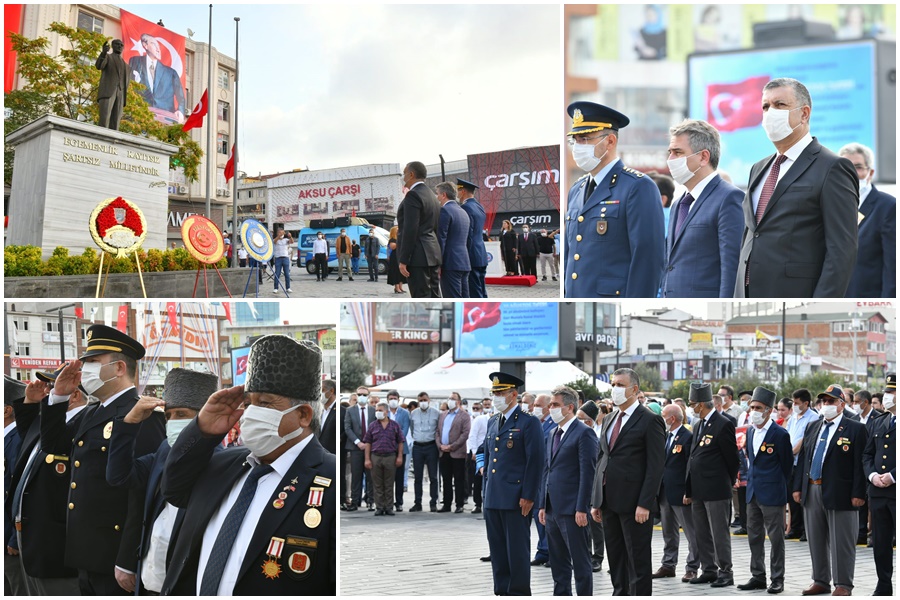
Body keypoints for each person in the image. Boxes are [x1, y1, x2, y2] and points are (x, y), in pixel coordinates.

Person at [160, 335, 335, 595]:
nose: (251, 413)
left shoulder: (329, 477)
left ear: (302, 415)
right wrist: (202, 430)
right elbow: (173, 489)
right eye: (248, 403)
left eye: (264, 403)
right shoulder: (225, 463)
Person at [40, 325, 165, 595]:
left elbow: (142, 490)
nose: (85, 370)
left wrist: (128, 559)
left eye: (93, 362)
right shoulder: (92, 411)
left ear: (119, 368)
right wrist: (59, 396)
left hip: (114, 555)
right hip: (86, 552)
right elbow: (52, 447)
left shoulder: (141, 413)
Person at [734, 78, 858, 298]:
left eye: (780, 105)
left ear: (804, 113)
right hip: (747, 297)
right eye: (765, 106)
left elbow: (841, 251)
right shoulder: (758, 168)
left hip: (795, 298)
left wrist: (819, 308)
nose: (770, 112)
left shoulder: (832, 167)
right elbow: (754, 234)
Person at [105, 368, 219, 595]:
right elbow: (119, 476)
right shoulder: (164, 453)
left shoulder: (220, 462)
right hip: (149, 585)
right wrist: (130, 423)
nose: (172, 422)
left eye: (181, 414)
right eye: (168, 416)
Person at [564, 101, 665, 297]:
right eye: (575, 140)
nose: (578, 147)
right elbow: (571, 257)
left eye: (585, 139)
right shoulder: (576, 189)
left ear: (610, 141)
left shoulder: (637, 186)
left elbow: (648, 260)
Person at [7, 368, 86, 596]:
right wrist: (30, 403)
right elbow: (29, 436)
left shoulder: (80, 423)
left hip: (55, 542)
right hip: (31, 537)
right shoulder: (51, 424)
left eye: (53, 388)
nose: (48, 393)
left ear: (74, 395)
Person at [590, 367, 665, 595]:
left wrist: (645, 502)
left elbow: (655, 467)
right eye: (613, 385)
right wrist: (596, 500)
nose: (615, 389)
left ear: (634, 389)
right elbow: (603, 458)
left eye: (620, 385)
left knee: (638, 560)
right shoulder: (610, 418)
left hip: (634, 504)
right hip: (609, 500)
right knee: (616, 558)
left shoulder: (650, 420)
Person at [793, 384, 867, 596]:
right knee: (816, 538)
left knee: (841, 541)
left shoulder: (855, 428)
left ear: (842, 404)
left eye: (831, 401)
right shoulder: (813, 426)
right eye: (824, 401)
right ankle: (821, 580)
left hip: (841, 491)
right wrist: (798, 487)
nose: (826, 405)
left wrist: (859, 493)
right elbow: (805, 460)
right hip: (813, 488)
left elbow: (859, 464)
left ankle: (843, 584)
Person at [662, 119, 743, 298]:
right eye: (670, 152)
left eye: (678, 152)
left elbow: (731, 268)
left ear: (703, 157)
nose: (670, 160)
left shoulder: (728, 198)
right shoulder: (678, 204)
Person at [482, 372, 544, 596]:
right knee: (497, 549)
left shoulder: (528, 423)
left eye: (500, 393)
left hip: (516, 497)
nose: (496, 397)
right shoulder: (492, 421)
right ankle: (502, 590)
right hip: (493, 496)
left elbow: (535, 461)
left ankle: (518, 591)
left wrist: (529, 495)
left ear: (514, 395)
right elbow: (489, 459)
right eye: (494, 393)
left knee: (516, 550)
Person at [538, 385, 598, 596]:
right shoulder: (553, 432)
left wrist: (582, 507)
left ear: (569, 407)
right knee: (558, 564)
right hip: (553, 509)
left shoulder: (584, 433)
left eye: (555, 404)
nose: (550, 408)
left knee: (581, 564)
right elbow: (548, 470)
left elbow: (587, 473)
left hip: (574, 510)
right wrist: (543, 505)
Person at [684, 382, 740, 588]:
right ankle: (709, 569)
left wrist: (727, 480)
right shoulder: (698, 425)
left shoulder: (723, 423)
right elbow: (693, 457)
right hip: (698, 488)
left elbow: (732, 459)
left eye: (693, 404)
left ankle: (726, 571)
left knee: (719, 533)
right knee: (701, 532)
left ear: (701, 404)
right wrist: (688, 488)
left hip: (716, 488)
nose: (691, 408)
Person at [739, 387, 793, 594]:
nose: (754, 411)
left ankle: (777, 578)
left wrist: (777, 486)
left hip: (772, 493)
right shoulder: (750, 430)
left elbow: (787, 466)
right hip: (753, 492)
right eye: (752, 407)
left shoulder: (780, 434)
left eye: (758, 407)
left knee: (776, 538)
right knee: (754, 536)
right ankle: (757, 575)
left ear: (769, 410)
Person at [838, 143, 895, 298]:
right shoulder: (832, 207)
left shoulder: (888, 207)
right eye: (845, 167)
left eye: (858, 167)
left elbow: (893, 267)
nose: (851, 173)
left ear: (870, 172)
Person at [655, 403, 701, 583]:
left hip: (681, 492)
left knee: (691, 532)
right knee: (668, 532)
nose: (662, 419)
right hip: (665, 491)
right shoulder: (666, 436)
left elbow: (691, 467)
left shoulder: (687, 437)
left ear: (672, 418)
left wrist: (688, 490)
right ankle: (668, 565)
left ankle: (692, 567)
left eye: (663, 416)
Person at [862, 374, 895, 595]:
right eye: (887, 391)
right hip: (878, 491)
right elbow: (867, 454)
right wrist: (873, 475)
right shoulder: (879, 421)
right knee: (881, 542)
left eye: (892, 392)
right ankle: (884, 585)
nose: (887, 396)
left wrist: (893, 476)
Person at [397, 161, 442, 297]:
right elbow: (435, 227)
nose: (403, 177)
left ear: (411, 174)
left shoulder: (413, 195)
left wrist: (404, 259)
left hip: (417, 256)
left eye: (404, 173)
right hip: (432, 253)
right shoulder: (432, 196)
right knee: (434, 295)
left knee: (421, 298)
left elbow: (410, 229)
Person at [127, 33, 185, 122]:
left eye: (159, 46)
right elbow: (129, 85)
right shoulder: (135, 61)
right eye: (154, 44)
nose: (158, 49)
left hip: (164, 118)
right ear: (145, 45)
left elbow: (180, 96)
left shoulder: (171, 73)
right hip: (140, 115)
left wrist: (180, 111)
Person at [786, 388, 819, 541]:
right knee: (792, 497)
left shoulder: (814, 418)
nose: (794, 405)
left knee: (803, 497)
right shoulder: (793, 417)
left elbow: (806, 439)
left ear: (806, 403)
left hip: (803, 462)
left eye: (797, 403)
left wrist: (793, 451)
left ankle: (807, 530)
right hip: (791, 462)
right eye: (793, 402)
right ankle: (796, 527)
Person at [363, 401, 404, 516]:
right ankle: (379, 506)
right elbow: (368, 442)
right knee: (377, 483)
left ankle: (389, 507)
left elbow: (400, 441)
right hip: (376, 456)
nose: (378, 413)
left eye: (380, 410)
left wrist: (399, 456)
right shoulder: (373, 425)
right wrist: (367, 459)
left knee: (389, 483)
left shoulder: (394, 425)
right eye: (376, 410)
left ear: (386, 412)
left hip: (390, 456)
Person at [3, 378, 23, 596]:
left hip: (9, 541)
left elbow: (16, 488)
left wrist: (12, 538)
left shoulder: (17, 440)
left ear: (6, 410)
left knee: (15, 589)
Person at [436, 181, 472, 298]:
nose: (437, 197)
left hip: (450, 262)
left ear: (444, 195)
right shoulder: (463, 211)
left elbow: (441, 238)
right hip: (464, 261)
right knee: (465, 299)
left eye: (438, 194)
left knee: (452, 299)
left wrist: (438, 264)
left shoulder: (445, 210)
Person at [436, 391, 471, 513]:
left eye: (453, 398)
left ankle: (459, 504)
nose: (450, 400)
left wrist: (452, 446)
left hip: (457, 453)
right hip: (443, 452)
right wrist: (440, 445)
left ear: (458, 402)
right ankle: (446, 504)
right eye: (449, 398)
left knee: (459, 479)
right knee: (446, 479)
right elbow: (437, 432)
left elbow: (465, 434)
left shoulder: (464, 416)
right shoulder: (443, 415)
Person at [344, 386, 375, 511]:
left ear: (368, 396)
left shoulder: (373, 411)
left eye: (364, 394)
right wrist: (358, 442)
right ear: (356, 395)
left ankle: (371, 501)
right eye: (360, 394)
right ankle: (355, 501)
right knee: (356, 476)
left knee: (370, 476)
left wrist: (368, 443)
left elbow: (375, 428)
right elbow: (347, 428)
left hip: (371, 447)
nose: (362, 396)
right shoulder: (350, 410)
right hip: (355, 447)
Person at [409, 391, 440, 512]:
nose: (423, 403)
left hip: (431, 446)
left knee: (433, 476)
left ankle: (433, 502)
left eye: (425, 400)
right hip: (417, 446)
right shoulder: (413, 413)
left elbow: (438, 429)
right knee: (418, 477)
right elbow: (412, 429)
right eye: (420, 401)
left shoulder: (436, 413)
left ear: (429, 400)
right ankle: (418, 502)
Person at [457, 179, 488, 297]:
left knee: (474, 292)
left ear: (463, 191)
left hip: (471, 254)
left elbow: (468, 234)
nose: (457, 194)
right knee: (481, 289)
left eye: (458, 191)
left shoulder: (466, 208)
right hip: (480, 252)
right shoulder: (478, 206)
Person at [95, 39, 129, 130]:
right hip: (108, 92)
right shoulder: (108, 57)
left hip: (121, 94)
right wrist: (103, 53)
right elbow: (99, 66)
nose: (120, 46)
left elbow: (126, 82)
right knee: (104, 119)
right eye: (117, 44)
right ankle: (101, 139)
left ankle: (113, 142)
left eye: (122, 45)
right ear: (113, 46)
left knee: (116, 122)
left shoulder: (127, 66)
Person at [466, 397, 492, 514]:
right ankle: (477, 503)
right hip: (480, 453)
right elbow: (473, 435)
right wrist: (474, 452)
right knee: (477, 479)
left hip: (492, 453)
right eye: (485, 405)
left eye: (488, 405)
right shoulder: (480, 419)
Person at [385, 390, 410, 512]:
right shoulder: (384, 412)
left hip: (401, 448)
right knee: (387, 477)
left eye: (395, 398)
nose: (393, 400)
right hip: (386, 449)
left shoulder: (404, 413)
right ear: (387, 400)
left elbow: (404, 429)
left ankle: (399, 502)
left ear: (398, 399)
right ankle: (387, 501)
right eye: (391, 398)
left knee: (399, 478)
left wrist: (396, 441)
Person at [272, 226, 293, 293]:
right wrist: (279, 236)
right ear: (277, 233)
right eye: (279, 233)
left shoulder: (286, 240)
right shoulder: (275, 240)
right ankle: (276, 288)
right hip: (278, 258)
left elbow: (291, 241)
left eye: (282, 232)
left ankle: (288, 287)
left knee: (287, 274)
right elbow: (274, 241)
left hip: (285, 258)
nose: (281, 234)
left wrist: (290, 236)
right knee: (277, 273)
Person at [386, 225, 407, 294]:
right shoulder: (392, 240)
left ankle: (400, 287)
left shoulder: (400, 238)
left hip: (400, 256)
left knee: (400, 273)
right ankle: (397, 288)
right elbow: (393, 247)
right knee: (396, 272)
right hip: (395, 257)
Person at [320, 379, 337, 454]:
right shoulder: (319, 411)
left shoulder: (341, 411)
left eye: (322, 390)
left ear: (331, 391)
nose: (320, 394)